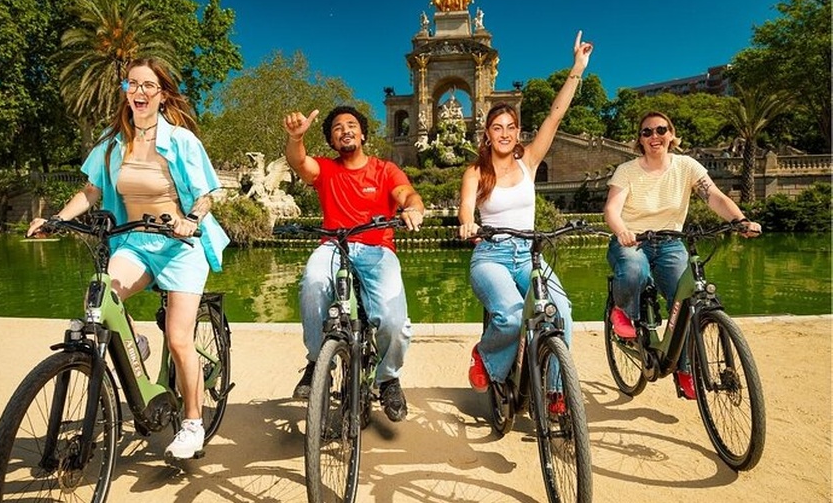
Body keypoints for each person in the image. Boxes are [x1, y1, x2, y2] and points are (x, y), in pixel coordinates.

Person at [27, 57, 229, 459]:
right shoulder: (113, 141)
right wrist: (57, 218)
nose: (138, 92)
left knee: (177, 339)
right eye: (132, 85)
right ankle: (133, 340)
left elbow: (206, 193)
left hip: (179, 247)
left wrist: (191, 220)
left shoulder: (182, 141)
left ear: (163, 94)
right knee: (101, 297)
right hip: (134, 243)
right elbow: (90, 191)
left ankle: (192, 423)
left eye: (148, 86)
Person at [458, 31, 593, 415]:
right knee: (512, 314)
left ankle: (554, 392)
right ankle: (486, 356)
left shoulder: (528, 161)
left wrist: (577, 70)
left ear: (518, 132)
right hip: (491, 257)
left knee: (562, 313)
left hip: (529, 254)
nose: (504, 134)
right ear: (487, 134)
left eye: (510, 128)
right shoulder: (475, 171)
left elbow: (555, 115)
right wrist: (468, 223)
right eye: (497, 128)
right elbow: (466, 208)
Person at [603, 111, 762, 400]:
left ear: (671, 134)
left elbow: (713, 195)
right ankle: (623, 311)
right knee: (635, 270)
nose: (655, 136)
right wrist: (623, 231)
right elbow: (612, 209)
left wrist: (738, 220)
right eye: (646, 132)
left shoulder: (686, 166)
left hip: (670, 242)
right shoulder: (627, 170)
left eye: (661, 130)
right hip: (633, 241)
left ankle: (685, 368)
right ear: (639, 140)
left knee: (686, 298)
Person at [282, 105, 425, 422]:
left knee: (393, 321)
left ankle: (387, 378)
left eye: (351, 125)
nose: (344, 130)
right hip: (333, 246)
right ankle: (318, 362)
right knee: (312, 284)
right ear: (332, 141)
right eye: (336, 128)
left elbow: (407, 194)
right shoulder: (327, 170)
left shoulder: (384, 170)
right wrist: (296, 138)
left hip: (377, 248)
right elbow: (300, 163)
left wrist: (413, 209)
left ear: (362, 134)